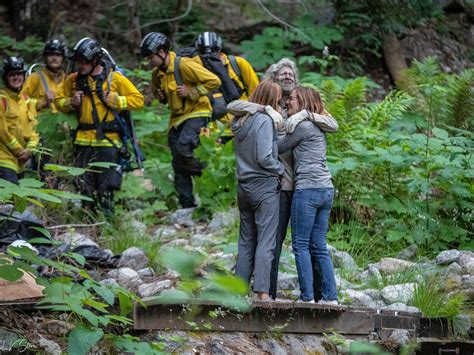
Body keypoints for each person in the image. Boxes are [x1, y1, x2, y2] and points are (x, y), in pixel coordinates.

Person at [228, 58, 338, 300]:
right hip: (278, 184)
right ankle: (270, 293)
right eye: (283, 74)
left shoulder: (301, 107)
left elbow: (332, 123)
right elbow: (234, 105)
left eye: (291, 74)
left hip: (301, 185)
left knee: (307, 242)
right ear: (273, 81)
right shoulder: (268, 109)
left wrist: (304, 116)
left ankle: (319, 295)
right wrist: (265, 109)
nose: (288, 77)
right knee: (273, 242)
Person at [55, 37, 144, 214]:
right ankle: (88, 220)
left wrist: (117, 100)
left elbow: (138, 100)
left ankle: (107, 223)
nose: (80, 65)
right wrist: (70, 102)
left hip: (108, 142)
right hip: (82, 141)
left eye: (84, 62)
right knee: (83, 185)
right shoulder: (73, 80)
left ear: (95, 59)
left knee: (106, 186)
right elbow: (58, 101)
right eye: (78, 62)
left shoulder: (114, 78)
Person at [140, 32, 221, 208]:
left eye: (150, 57)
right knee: (177, 161)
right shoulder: (157, 74)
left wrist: (191, 91)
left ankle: (208, 174)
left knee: (184, 148)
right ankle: (187, 204)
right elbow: (158, 94)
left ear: (162, 52)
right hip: (176, 118)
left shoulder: (184, 65)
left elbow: (214, 81)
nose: (149, 62)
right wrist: (161, 96)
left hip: (197, 111)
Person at [277, 86, 338, 304]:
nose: (287, 103)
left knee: (301, 245)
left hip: (307, 189)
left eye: (291, 99)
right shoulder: (318, 124)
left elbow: (279, 147)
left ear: (302, 101)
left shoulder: (302, 126)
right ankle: (330, 297)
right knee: (319, 244)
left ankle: (308, 298)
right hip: (326, 189)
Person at [232, 79, 285, 301]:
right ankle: (262, 294)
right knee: (266, 240)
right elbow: (264, 157)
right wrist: (279, 168)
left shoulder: (240, 121)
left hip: (243, 186)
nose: (281, 103)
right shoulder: (263, 120)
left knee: (246, 240)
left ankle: (238, 291)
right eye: (279, 99)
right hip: (263, 186)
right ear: (273, 100)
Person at [195, 31, 259, 143]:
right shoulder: (195, 69)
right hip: (212, 130)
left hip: (241, 124)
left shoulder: (237, 64)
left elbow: (257, 92)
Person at [0, 57, 39, 184]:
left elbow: (35, 129)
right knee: (9, 201)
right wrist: (19, 150)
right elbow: (2, 131)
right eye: (12, 75)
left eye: (19, 74)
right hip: (4, 159)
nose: (16, 78)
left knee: (21, 201)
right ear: (5, 77)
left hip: (22, 162)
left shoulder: (27, 101)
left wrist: (30, 150)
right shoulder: (2, 100)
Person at [22, 38, 67, 112]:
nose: (54, 58)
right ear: (45, 57)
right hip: (41, 121)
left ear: (63, 58)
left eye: (58, 55)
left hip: (62, 122)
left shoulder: (67, 80)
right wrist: (42, 101)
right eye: (51, 54)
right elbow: (21, 100)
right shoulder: (35, 77)